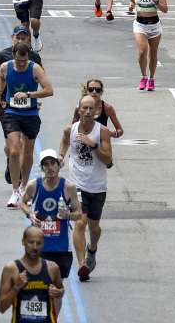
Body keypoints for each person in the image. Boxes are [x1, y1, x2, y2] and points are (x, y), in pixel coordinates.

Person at [59, 95, 112, 282]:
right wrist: (60, 156)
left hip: (97, 187)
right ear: (79, 110)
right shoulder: (70, 129)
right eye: (85, 108)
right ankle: (82, 264)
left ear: (97, 111)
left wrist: (94, 145)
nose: (88, 112)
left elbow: (108, 160)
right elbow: (65, 141)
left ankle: (92, 249)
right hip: (77, 185)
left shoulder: (102, 131)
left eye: (92, 109)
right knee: (80, 223)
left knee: (94, 227)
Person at [17, 150, 81, 299]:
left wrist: (69, 215)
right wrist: (29, 214)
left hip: (61, 248)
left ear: (59, 165)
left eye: (52, 163)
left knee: (56, 290)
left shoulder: (68, 187)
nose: (50, 167)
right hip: (38, 247)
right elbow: (22, 202)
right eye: (46, 164)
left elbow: (79, 213)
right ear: (41, 167)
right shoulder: (34, 186)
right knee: (39, 287)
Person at [0, 43, 53, 207]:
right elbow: (1, 79)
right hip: (11, 112)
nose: (21, 64)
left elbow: (49, 90)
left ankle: (23, 187)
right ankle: (15, 191)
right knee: (14, 150)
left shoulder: (35, 69)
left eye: (24, 61)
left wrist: (29, 94)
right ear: (13, 55)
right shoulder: (5, 67)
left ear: (28, 56)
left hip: (30, 113)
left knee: (28, 152)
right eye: (18, 61)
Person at [130, 0, 169, 91]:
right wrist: (131, 6)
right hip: (140, 24)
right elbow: (131, 2)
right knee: (142, 52)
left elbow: (165, 9)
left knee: (153, 55)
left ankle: (151, 78)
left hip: (154, 25)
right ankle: (143, 76)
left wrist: (156, 1)